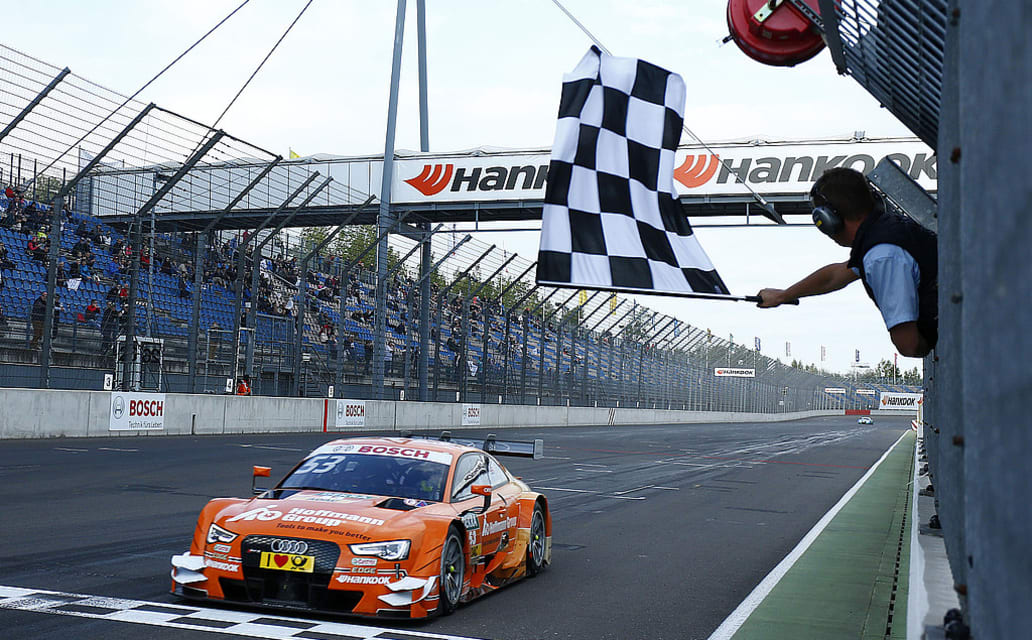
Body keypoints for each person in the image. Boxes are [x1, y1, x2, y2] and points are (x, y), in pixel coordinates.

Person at [756, 167, 937, 358]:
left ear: (829, 220)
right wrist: (782, 296)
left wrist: (938, 341)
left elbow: (908, 345)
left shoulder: (881, 256)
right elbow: (834, 277)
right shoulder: (884, 233)